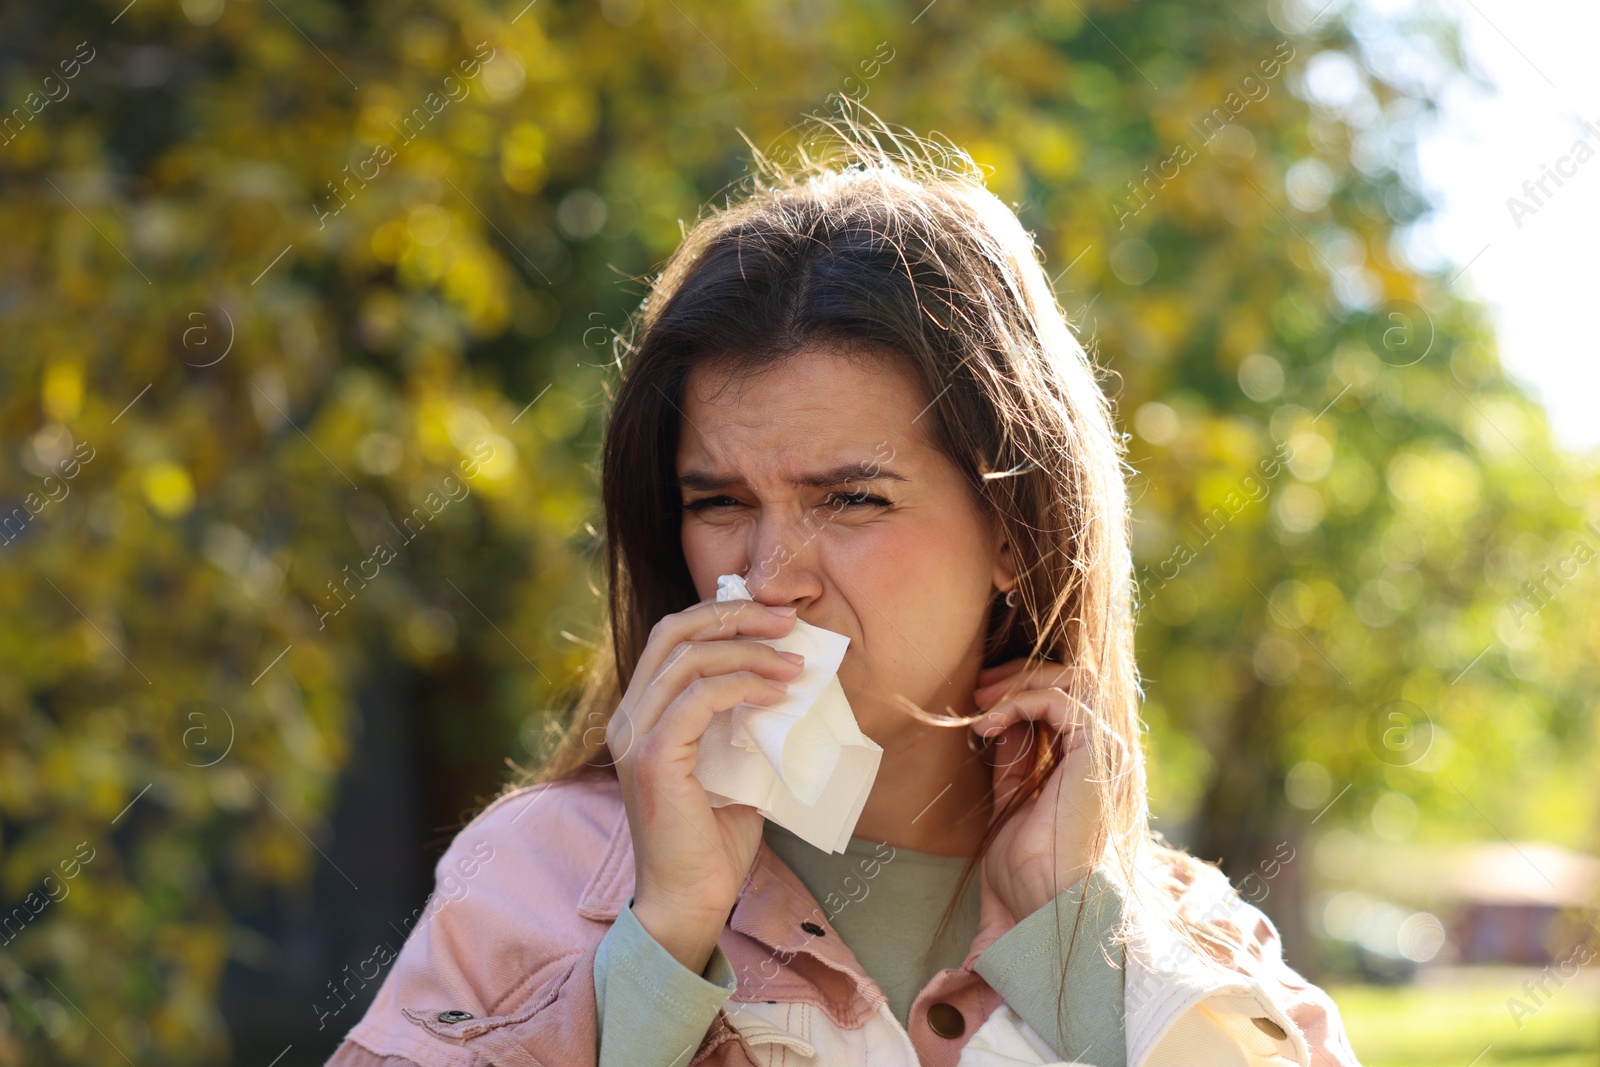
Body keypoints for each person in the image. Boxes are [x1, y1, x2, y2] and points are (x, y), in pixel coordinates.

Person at [324, 113, 1363, 1067]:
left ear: (1016, 530)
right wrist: (662, 942)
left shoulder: (1192, 932)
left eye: (852, 500)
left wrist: (1077, 946)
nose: (771, 576)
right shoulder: (529, 876)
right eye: (719, 500)